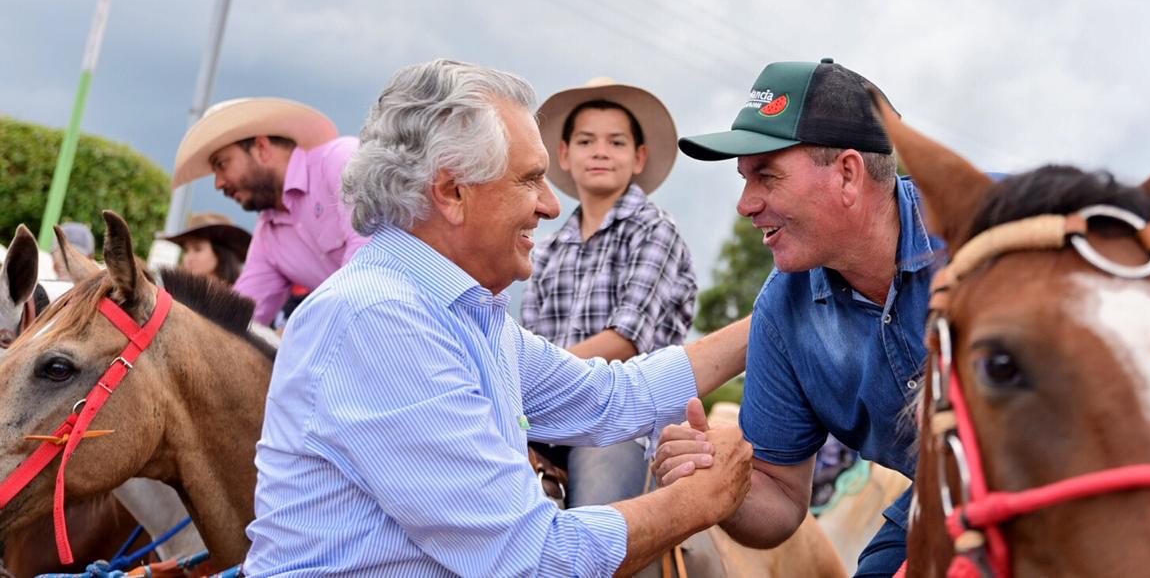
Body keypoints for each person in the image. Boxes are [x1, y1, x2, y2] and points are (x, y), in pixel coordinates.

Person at [245, 59, 754, 577]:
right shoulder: (380, 321)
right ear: (451, 192)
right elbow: (532, 560)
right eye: (531, 180)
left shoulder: (459, 311)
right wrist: (698, 501)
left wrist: (762, 328)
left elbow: (610, 394)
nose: (550, 205)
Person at [652, 58, 940, 577]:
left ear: (848, 174)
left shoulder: (996, 222)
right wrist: (722, 484)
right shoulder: (781, 315)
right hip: (947, 496)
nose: (745, 204)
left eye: (766, 175)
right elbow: (780, 500)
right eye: (745, 179)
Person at [524, 77, 699, 511]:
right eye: (586, 141)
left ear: (638, 157)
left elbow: (626, 340)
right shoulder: (546, 249)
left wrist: (531, 378)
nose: (600, 151)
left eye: (616, 142)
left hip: (622, 422)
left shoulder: (655, 230)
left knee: (597, 526)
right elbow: (526, 343)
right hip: (545, 418)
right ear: (564, 154)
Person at [171, 97, 368, 326]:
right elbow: (236, 318)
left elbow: (369, 258)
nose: (218, 183)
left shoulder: (340, 160)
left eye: (222, 164)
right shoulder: (268, 237)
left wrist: (303, 330)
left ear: (262, 149)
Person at [157, 212, 252, 285]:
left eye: (197, 249)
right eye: (186, 251)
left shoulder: (242, 297)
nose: (188, 259)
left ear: (220, 254)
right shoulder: (177, 297)